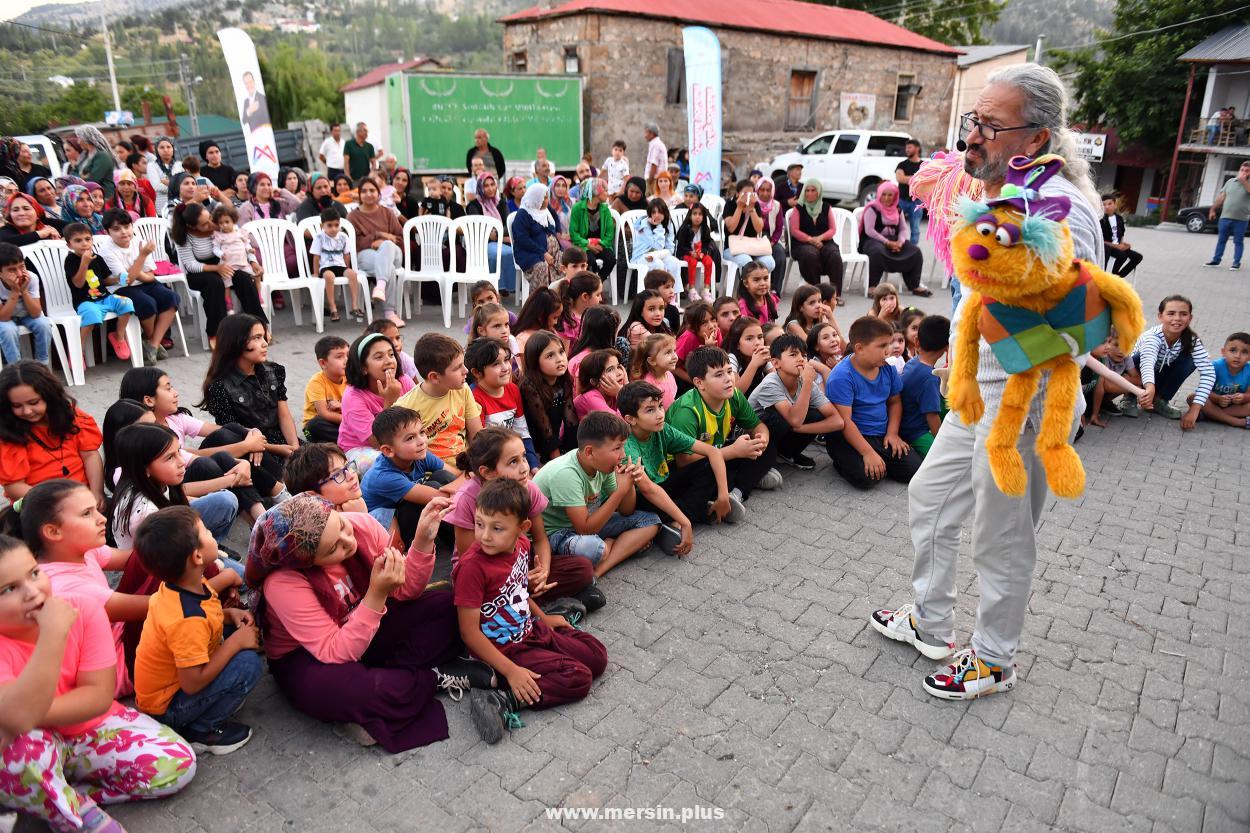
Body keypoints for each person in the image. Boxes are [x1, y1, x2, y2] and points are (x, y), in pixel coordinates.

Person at [872, 63, 1106, 701]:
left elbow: (1078, 326)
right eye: (973, 120)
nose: (972, 136)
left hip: (1025, 400)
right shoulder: (999, 195)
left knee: (1001, 536)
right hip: (979, 388)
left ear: (1036, 139)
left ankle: (995, 658)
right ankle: (930, 619)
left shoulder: (1063, 212)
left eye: (990, 126)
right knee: (929, 496)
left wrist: (1000, 335)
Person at [246, 493, 481, 752]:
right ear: (308, 562)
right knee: (343, 690)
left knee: (454, 608)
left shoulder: (360, 524)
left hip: (368, 622)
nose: (349, 542)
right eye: (332, 548)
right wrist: (377, 594)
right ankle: (433, 678)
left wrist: (423, 541)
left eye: (342, 527)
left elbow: (407, 592)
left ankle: (393, 685)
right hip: (310, 656)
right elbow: (334, 651)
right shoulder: (283, 583)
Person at [0, 535, 196, 832]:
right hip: (29, 742)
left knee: (178, 763)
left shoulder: (81, 608)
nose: (32, 592)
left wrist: (22, 714)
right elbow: (15, 720)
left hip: (88, 725)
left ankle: (61, 793)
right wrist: (53, 636)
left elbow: (98, 696)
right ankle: (74, 817)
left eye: (34, 573)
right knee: (17, 751)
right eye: (8, 589)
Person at [453, 477, 607, 742]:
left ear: (522, 528)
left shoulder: (522, 546)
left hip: (531, 630)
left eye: (497, 528)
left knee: (596, 657)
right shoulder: (472, 568)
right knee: (578, 678)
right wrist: (511, 671)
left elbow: (519, 592)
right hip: (503, 651)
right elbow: (469, 634)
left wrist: (544, 617)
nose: (485, 536)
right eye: (480, 524)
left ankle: (561, 618)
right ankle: (501, 698)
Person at [133, 505, 261, 754]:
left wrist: (229, 615)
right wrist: (236, 644)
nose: (213, 534)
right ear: (197, 557)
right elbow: (192, 683)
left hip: (172, 689)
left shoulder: (182, 585)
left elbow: (207, 614)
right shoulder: (186, 619)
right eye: (206, 533)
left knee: (244, 634)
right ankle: (201, 730)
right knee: (248, 664)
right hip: (169, 708)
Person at [118, 366, 283, 526]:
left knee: (230, 432)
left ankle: (271, 502)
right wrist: (243, 452)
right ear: (148, 400)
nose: (175, 393)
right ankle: (265, 512)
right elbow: (194, 462)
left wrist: (252, 437)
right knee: (211, 463)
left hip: (181, 478)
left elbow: (222, 433)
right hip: (176, 488)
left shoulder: (175, 419)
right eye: (168, 389)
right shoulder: (139, 452)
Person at [533, 411, 660, 578]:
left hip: (585, 525)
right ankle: (614, 545)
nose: (622, 455)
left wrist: (629, 484)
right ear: (589, 452)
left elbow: (626, 511)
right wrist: (620, 491)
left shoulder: (603, 464)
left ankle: (601, 567)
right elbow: (584, 529)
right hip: (555, 534)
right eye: (616, 448)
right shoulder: (566, 473)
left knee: (651, 521)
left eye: (623, 446)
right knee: (595, 548)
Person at [667, 346, 781, 504]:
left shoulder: (733, 394)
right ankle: (746, 481)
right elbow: (683, 461)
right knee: (710, 477)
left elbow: (757, 425)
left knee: (769, 447)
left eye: (729, 371)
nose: (728, 378)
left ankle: (737, 491)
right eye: (719, 375)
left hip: (717, 451)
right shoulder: (687, 412)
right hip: (687, 467)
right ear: (699, 383)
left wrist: (762, 439)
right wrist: (733, 451)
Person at [620, 379, 735, 533]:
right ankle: (694, 513)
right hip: (639, 499)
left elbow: (712, 452)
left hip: (662, 484)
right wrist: (685, 520)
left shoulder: (662, 429)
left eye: (660, 406)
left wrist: (723, 495)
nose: (660, 415)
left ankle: (691, 513)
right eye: (650, 410)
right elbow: (648, 489)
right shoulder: (626, 445)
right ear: (630, 419)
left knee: (706, 465)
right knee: (651, 502)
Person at [108, 423, 239, 553]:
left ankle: (210, 544)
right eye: (170, 457)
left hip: (173, 536)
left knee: (225, 499)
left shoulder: (154, 482)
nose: (181, 461)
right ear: (144, 469)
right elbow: (168, 564)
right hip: (162, 562)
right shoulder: (146, 514)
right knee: (237, 573)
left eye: (179, 451)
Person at [824, 315, 921, 488]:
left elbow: (895, 402)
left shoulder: (887, 368)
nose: (889, 350)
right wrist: (867, 452)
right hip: (850, 436)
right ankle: (842, 461)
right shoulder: (842, 377)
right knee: (867, 479)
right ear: (860, 348)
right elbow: (845, 421)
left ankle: (879, 461)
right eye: (882, 345)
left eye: (889, 344)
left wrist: (892, 433)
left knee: (915, 470)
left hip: (881, 434)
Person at [0, 360, 104, 508]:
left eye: (33, 402)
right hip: (41, 506)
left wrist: (96, 492)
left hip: (85, 498)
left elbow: (90, 455)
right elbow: (14, 486)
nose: (27, 411)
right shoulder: (9, 435)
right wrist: (62, 504)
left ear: (49, 396)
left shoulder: (72, 418)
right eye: (17, 406)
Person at [199, 315, 301, 460]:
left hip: (283, 441)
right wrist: (279, 449)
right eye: (257, 338)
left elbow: (284, 415)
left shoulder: (274, 371)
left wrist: (295, 447)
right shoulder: (219, 387)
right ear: (237, 342)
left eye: (264, 337)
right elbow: (233, 434)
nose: (265, 343)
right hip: (251, 448)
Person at [169, 201, 267, 346]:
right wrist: (216, 269)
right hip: (201, 272)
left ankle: (258, 326)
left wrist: (253, 262)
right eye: (204, 224)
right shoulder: (183, 236)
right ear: (192, 226)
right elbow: (191, 265)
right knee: (214, 284)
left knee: (245, 279)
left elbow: (243, 245)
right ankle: (217, 332)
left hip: (228, 264)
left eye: (210, 218)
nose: (211, 223)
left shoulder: (223, 225)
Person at [360, 407, 458, 546]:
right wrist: (469, 480)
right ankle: (458, 538)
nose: (421, 441)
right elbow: (444, 497)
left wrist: (467, 480)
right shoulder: (383, 476)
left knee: (442, 476)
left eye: (421, 432)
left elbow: (458, 476)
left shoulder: (418, 453)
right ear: (388, 450)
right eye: (410, 438)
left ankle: (458, 534)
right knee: (435, 490)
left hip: (406, 514)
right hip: (388, 531)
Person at [748, 334, 844, 472]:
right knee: (781, 419)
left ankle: (786, 453)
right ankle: (764, 459)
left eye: (804, 356)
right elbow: (795, 420)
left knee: (816, 415)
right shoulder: (771, 383)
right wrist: (807, 383)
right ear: (776, 363)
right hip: (753, 434)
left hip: (787, 425)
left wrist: (799, 429)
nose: (800, 359)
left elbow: (837, 421)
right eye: (793, 355)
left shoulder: (805, 381)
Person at [96, 209, 180, 366]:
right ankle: (149, 339)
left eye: (126, 227)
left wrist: (138, 273)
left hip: (143, 283)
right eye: (116, 229)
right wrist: (141, 258)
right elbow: (125, 281)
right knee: (147, 303)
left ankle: (153, 344)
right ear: (108, 232)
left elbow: (151, 275)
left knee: (171, 297)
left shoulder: (138, 240)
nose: (123, 232)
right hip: (120, 289)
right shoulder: (106, 251)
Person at [1125, 295, 1215, 428]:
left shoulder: (1192, 340)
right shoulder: (1153, 337)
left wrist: (1194, 410)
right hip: (1138, 377)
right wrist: (1149, 387)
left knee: (1190, 359)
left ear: (1190, 318)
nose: (1177, 318)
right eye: (1171, 313)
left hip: (1158, 379)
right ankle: (1130, 397)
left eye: (1183, 314)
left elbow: (1209, 373)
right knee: (1137, 358)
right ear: (1160, 316)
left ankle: (1160, 400)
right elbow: (1147, 363)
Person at [395, 333, 482, 470]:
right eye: (457, 368)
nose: (465, 371)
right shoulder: (405, 407)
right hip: (433, 473)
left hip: (466, 465)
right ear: (434, 377)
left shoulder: (462, 389)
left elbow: (477, 436)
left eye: (463, 364)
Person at [63, 222, 135, 361]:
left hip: (104, 297)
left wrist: (118, 279)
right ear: (69, 245)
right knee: (91, 315)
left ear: (92, 240)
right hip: (84, 301)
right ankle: (78, 350)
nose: (84, 243)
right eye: (78, 241)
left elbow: (106, 280)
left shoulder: (97, 258)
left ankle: (118, 336)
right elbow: (78, 284)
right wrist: (84, 263)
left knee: (127, 302)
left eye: (87, 239)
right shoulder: (71, 260)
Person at [467, 338, 538, 468]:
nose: (505, 368)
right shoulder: (474, 398)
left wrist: (533, 465)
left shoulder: (513, 390)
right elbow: (480, 447)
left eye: (506, 360)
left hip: (514, 455)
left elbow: (522, 431)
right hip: (492, 461)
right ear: (477, 372)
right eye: (496, 364)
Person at [349, 176, 405, 327]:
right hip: (366, 255)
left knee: (387, 246)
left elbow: (400, 238)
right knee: (389, 269)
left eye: (372, 190)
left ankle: (379, 286)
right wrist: (377, 235)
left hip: (393, 253)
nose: (368, 194)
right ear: (359, 194)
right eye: (364, 191)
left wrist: (384, 242)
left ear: (379, 193)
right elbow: (354, 244)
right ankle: (390, 313)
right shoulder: (353, 217)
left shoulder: (387, 213)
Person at [861, 182, 929, 295]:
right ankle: (872, 286)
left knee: (915, 252)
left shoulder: (897, 209)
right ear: (879, 194)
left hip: (895, 241)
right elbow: (870, 230)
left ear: (895, 196)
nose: (886, 198)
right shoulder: (872, 208)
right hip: (874, 240)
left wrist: (900, 243)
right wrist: (887, 242)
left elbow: (903, 229)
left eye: (890, 195)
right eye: (884, 194)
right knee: (877, 253)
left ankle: (914, 285)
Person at [898, 315, 949, 456]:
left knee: (947, 402)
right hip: (915, 432)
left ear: (916, 341)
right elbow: (931, 416)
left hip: (906, 422)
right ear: (946, 347)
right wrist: (942, 443)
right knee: (939, 457)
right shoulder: (929, 378)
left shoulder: (913, 362)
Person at [788, 180, 845, 302]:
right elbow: (795, 230)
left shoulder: (826, 207)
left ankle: (835, 294)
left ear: (819, 192)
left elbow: (832, 229)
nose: (810, 193)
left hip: (824, 240)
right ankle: (815, 292)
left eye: (813, 190)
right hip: (803, 243)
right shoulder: (798, 208)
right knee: (809, 254)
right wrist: (810, 239)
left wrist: (820, 238)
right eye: (807, 190)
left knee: (834, 254)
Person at [0, 241, 54, 366]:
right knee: (8, 330)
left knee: (44, 324)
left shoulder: (31, 278)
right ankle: (16, 368)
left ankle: (42, 364)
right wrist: (14, 292)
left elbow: (36, 313)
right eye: (12, 270)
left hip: (28, 315)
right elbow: (3, 318)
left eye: (22, 266)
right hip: (5, 319)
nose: (19, 273)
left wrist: (24, 291)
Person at [464, 173, 517, 296]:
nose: (490, 188)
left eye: (492, 184)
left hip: (500, 239)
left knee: (511, 251)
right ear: (480, 188)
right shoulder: (474, 205)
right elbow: (478, 227)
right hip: (482, 243)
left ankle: (507, 286)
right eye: (486, 186)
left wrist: (497, 233)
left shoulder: (500, 202)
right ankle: (493, 286)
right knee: (499, 253)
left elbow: (507, 224)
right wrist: (491, 234)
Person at [311, 209, 363, 323]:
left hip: (340, 265)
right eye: (329, 225)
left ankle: (354, 305)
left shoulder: (343, 237)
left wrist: (347, 268)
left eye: (336, 225)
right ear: (322, 226)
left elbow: (346, 254)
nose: (334, 228)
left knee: (352, 274)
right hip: (325, 267)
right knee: (329, 277)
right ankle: (333, 307)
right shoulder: (319, 238)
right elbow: (316, 256)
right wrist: (315, 272)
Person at [512, 183, 561, 293]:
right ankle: (541, 300)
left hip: (551, 252)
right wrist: (543, 253)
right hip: (530, 253)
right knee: (541, 267)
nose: (547, 200)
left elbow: (555, 220)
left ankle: (560, 299)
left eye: (547, 197)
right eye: (544, 198)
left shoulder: (545, 210)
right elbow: (522, 239)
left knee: (568, 263)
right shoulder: (523, 214)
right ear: (536, 198)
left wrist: (557, 235)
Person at [568, 179, 617, 286]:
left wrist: (602, 244)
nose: (608, 194)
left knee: (611, 260)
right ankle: (590, 288)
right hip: (584, 245)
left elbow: (609, 234)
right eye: (605, 190)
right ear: (597, 192)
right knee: (590, 261)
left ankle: (598, 284)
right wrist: (588, 245)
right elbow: (573, 233)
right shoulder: (577, 208)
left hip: (601, 245)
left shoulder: (605, 209)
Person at [1203, 159, 1250, 270]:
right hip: (1225, 217)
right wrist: (1212, 209)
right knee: (1221, 240)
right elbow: (1222, 197)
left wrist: (1243, 181)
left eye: (1247, 170)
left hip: (1241, 219)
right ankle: (1216, 260)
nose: (1244, 172)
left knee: (1238, 241)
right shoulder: (1230, 182)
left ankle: (1236, 263)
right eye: (1242, 169)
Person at [303, 335, 349, 443]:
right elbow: (325, 414)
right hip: (322, 424)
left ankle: (346, 439)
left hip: (342, 420)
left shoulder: (350, 378)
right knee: (315, 425)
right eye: (339, 357)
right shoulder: (316, 382)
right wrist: (351, 421)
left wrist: (343, 407)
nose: (346, 360)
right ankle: (349, 439)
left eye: (348, 355)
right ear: (323, 363)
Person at [1200, 331, 1250, 429]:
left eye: (1244, 352)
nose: (1238, 356)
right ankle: (1237, 422)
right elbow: (1204, 390)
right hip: (1213, 402)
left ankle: (1208, 415)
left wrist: (1244, 397)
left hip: (1234, 407)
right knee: (1194, 397)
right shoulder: (1215, 366)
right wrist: (1217, 399)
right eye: (1233, 350)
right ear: (1223, 352)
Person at [676, 202, 721, 303]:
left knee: (709, 261)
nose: (697, 217)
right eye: (695, 214)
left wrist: (703, 252)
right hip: (686, 254)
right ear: (690, 215)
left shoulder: (705, 229)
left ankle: (706, 290)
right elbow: (681, 247)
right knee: (692, 262)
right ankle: (691, 289)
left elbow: (707, 244)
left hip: (699, 253)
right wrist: (690, 252)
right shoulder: (685, 229)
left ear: (704, 216)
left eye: (700, 214)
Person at [723, 317, 770, 396]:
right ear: (737, 344)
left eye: (760, 337)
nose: (757, 343)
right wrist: (754, 364)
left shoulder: (763, 355)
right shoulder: (731, 358)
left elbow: (777, 383)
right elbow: (737, 393)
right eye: (749, 339)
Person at [1100, 194, 1143, 278]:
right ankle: (1112, 277)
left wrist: (1124, 244)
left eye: (1109, 204)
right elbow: (1100, 240)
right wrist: (1117, 246)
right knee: (1122, 256)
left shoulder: (1119, 218)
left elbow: (1121, 234)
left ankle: (1118, 276)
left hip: (1118, 246)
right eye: (1104, 204)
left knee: (1138, 257)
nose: (1107, 207)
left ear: (1115, 205)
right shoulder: (1101, 220)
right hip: (1108, 247)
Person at [74, 126, 117, 200]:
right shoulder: (84, 156)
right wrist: (82, 176)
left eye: (79, 138)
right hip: (90, 197)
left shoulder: (102, 156)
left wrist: (81, 176)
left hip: (104, 198)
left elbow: (93, 179)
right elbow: (73, 173)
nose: (78, 142)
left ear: (86, 138)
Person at [895, 138, 924, 244]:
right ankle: (896, 247)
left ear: (917, 149)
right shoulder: (902, 164)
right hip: (901, 200)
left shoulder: (923, 165)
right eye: (906, 147)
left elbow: (927, 181)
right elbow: (900, 178)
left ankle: (912, 252)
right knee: (896, 227)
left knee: (915, 230)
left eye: (909, 147)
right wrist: (918, 179)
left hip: (917, 202)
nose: (907, 149)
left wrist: (908, 179)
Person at [151, 137, 183, 217]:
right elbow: (157, 187)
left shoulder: (180, 165)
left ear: (173, 149)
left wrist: (167, 182)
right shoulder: (152, 166)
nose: (165, 150)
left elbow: (183, 185)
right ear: (157, 150)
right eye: (162, 147)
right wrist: (175, 185)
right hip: (162, 207)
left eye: (168, 147)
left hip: (179, 204)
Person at [643, 123, 668, 192]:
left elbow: (654, 164)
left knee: (653, 201)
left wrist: (650, 181)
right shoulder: (657, 144)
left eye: (646, 132)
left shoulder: (655, 145)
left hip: (655, 179)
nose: (645, 136)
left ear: (651, 133)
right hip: (658, 179)